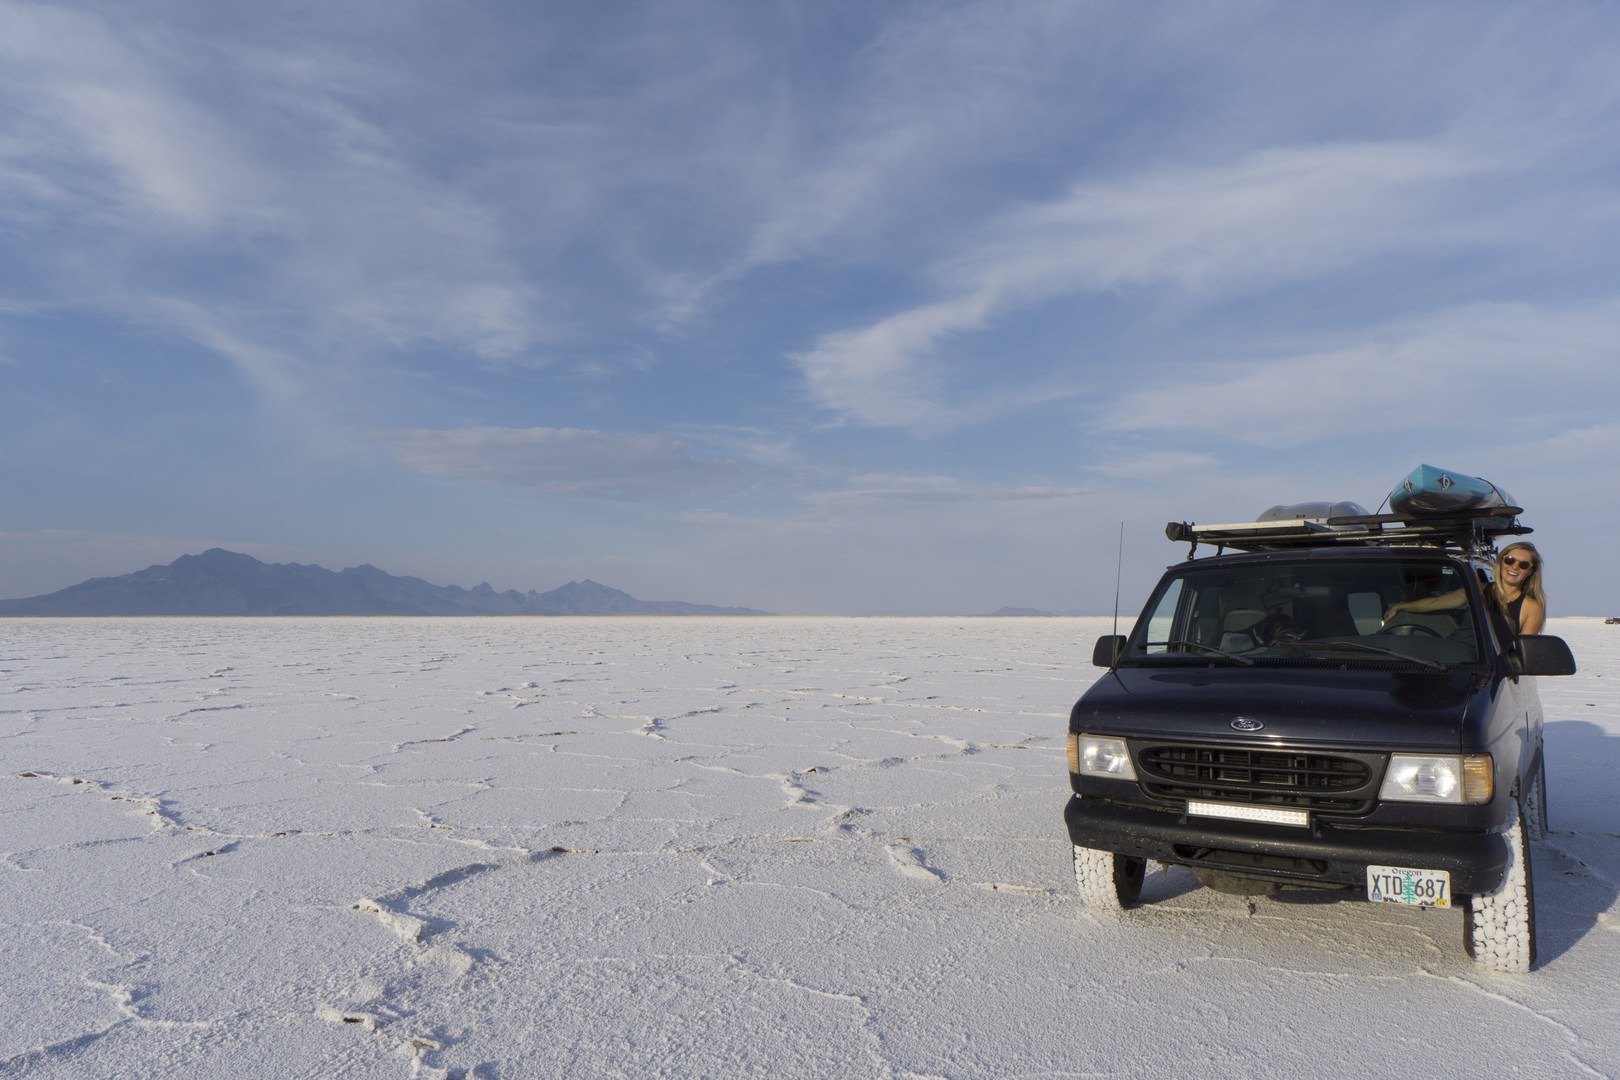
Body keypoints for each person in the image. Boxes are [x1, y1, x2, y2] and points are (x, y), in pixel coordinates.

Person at [1383, 541, 1546, 635]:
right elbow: (1434, 603)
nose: (1514, 567)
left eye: (1523, 564)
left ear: (1531, 571)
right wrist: (1401, 606)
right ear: (1501, 561)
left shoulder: (1530, 607)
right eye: (1509, 560)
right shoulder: (1477, 591)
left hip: (1492, 673)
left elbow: (1525, 655)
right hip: (1455, 657)